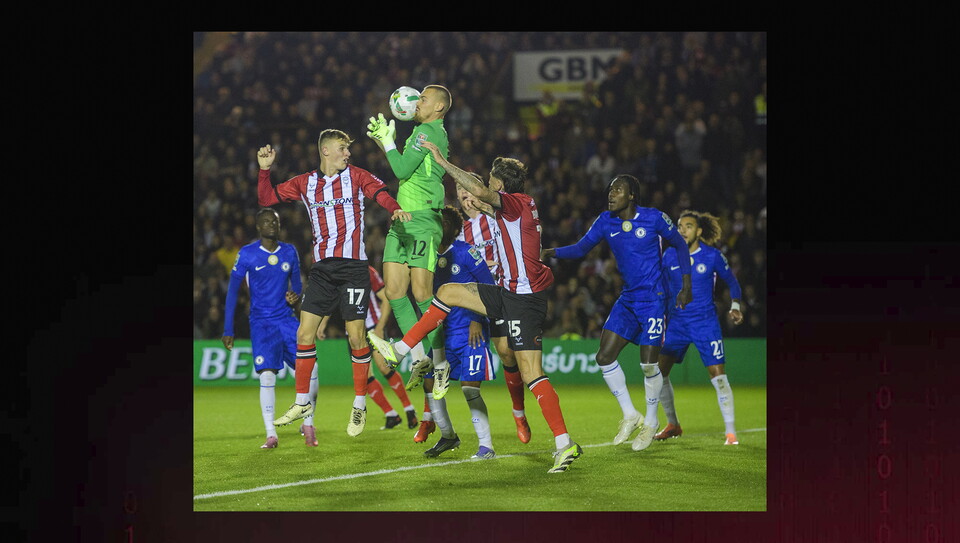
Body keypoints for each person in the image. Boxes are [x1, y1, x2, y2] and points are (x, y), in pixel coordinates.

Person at [368, 143, 583, 474]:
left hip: (524, 299)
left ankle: (564, 443)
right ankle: (401, 349)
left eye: (491, 180)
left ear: (499, 184)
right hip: (507, 290)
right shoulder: (515, 207)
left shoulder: (513, 202)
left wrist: (441, 161)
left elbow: (481, 190)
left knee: (531, 373)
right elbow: (480, 199)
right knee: (449, 291)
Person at [255, 128, 411, 437]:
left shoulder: (356, 176)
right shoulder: (305, 183)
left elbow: (379, 193)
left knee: (357, 338)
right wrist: (264, 171)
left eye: (348, 149)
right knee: (304, 332)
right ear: (326, 151)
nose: (347, 153)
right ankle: (302, 401)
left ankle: (360, 403)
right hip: (323, 270)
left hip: (354, 268)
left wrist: (395, 209)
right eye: (342, 148)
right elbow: (267, 198)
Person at [541, 174, 693, 452]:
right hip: (628, 299)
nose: (611, 194)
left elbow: (681, 245)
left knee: (649, 364)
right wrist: (550, 252)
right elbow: (580, 248)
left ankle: (650, 421)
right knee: (604, 356)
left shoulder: (655, 218)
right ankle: (630, 414)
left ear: (632, 195)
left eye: (618, 190)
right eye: (610, 189)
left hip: (655, 300)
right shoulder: (605, 221)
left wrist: (686, 284)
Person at [365, 84, 452, 397]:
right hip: (403, 219)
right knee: (394, 290)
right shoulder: (420, 133)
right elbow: (404, 170)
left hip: (424, 221)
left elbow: (400, 167)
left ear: (439, 107)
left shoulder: (430, 131)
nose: (417, 103)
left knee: (421, 293)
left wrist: (388, 142)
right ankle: (420, 358)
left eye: (424, 99)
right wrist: (382, 142)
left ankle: (442, 364)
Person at [405, 206, 499, 458]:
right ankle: (448, 437)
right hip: (442, 334)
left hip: (470, 330)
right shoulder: (426, 258)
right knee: (429, 383)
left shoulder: (466, 252)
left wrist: (478, 318)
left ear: (455, 229)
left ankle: (486, 445)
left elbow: (488, 288)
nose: (438, 227)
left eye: (443, 223)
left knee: (470, 388)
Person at [221, 207, 317, 448]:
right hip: (262, 324)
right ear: (258, 227)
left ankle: (308, 423)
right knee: (267, 375)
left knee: (311, 370)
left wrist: (295, 297)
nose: (271, 225)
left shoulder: (289, 251)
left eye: (274, 221)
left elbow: (296, 285)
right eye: (266, 221)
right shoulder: (247, 254)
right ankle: (270, 433)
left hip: (286, 321)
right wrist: (227, 328)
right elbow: (232, 291)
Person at [655, 210, 744, 445]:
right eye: (680, 226)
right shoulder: (670, 256)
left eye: (689, 226)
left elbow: (733, 282)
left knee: (718, 376)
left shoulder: (712, 255)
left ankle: (731, 432)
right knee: (659, 372)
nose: (683, 230)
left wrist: (735, 305)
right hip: (676, 324)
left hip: (705, 324)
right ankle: (673, 424)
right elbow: (662, 289)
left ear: (699, 231)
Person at [455, 180, 531, 444]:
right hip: (476, 302)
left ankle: (518, 412)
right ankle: (432, 422)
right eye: (459, 192)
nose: (464, 195)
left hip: (504, 292)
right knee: (470, 373)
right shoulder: (460, 231)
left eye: (467, 188)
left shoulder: (496, 217)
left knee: (508, 352)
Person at [316, 265, 419, 431]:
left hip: (372, 326)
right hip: (354, 333)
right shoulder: (337, 273)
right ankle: (391, 414)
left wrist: (380, 326)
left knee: (384, 368)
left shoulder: (366, 271)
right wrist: (324, 323)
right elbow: (332, 299)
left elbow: (385, 298)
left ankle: (409, 410)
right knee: (363, 377)